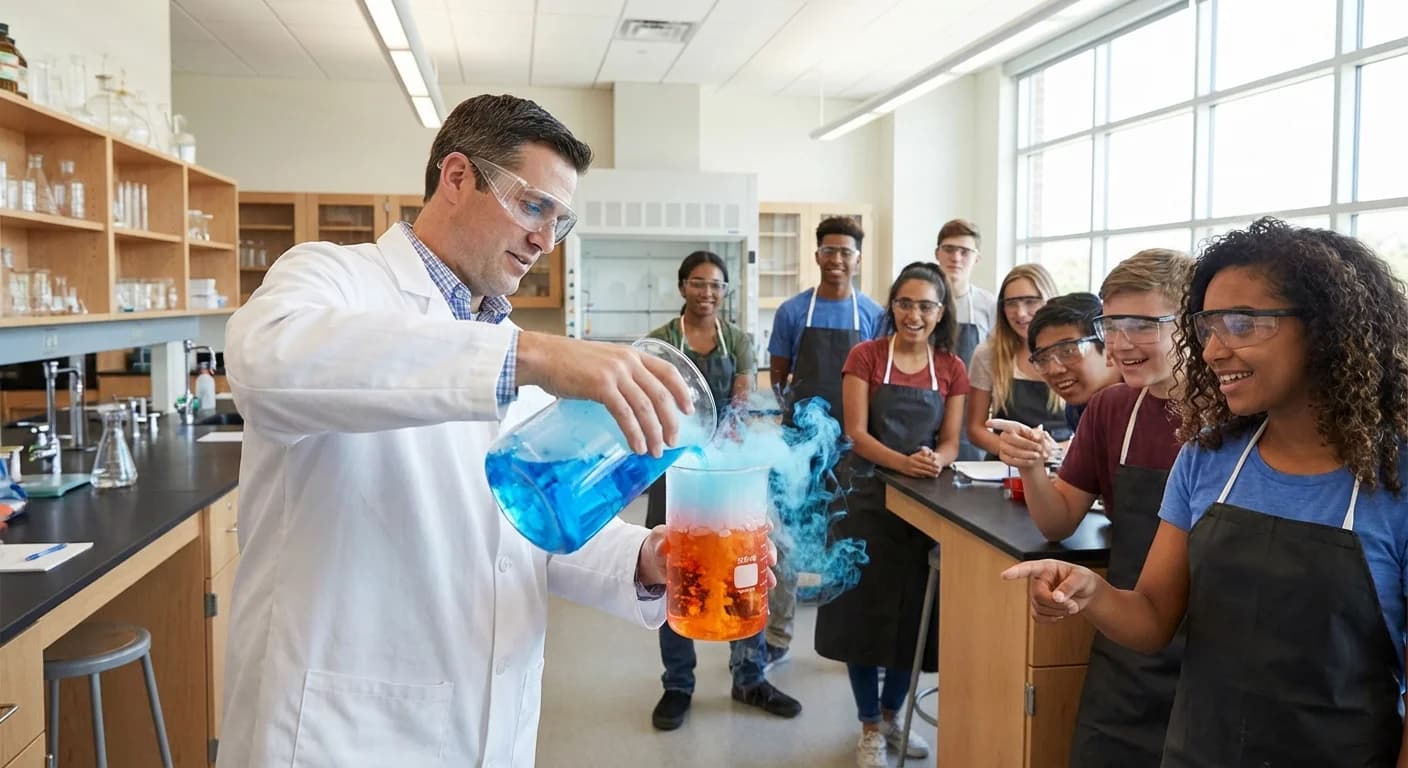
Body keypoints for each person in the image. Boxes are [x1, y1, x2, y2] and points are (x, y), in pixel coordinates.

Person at [217, 94, 775, 767]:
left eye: (559, 222)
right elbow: (264, 362)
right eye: (534, 206)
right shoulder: (337, 278)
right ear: (457, 177)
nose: (545, 239)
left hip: (486, 728)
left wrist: (643, 559)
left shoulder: (497, 340)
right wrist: (532, 356)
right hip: (341, 729)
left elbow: (520, 530)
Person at [1004, 218, 1408, 766]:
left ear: (1327, 327)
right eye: (1210, 326)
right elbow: (1150, 618)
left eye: (1243, 324)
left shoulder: (1394, 480)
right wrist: (1090, 592)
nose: (1214, 351)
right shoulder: (1208, 457)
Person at [992, 248, 1192, 767]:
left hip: (1214, 662)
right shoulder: (1111, 410)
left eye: (1143, 325)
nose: (1121, 343)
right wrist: (1033, 466)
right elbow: (1057, 522)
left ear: (1191, 321)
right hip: (1128, 651)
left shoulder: (1237, 415)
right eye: (1112, 323)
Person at [816, 262, 969, 768]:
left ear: (940, 311)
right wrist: (903, 462)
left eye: (926, 305)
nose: (914, 314)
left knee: (910, 622)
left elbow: (951, 441)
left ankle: (891, 717)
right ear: (892, 305)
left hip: (921, 510)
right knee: (863, 620)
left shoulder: (951, 367)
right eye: (905, 303)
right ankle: (867, 728)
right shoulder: (865, 356)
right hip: (863, 502)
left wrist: (936, 460)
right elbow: (857, 433)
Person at [642, 250, 801, 730]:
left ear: (725, 291)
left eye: (715, 285)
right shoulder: (661, 342)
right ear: (682, 286)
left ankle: (749, 676)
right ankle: (678, 684)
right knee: (675, 572)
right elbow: (655, 405)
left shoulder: (739, 341)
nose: (706, 292)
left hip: (729, 474)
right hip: (676, 473)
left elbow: (740, 403)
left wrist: (722, 446)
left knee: (741, 570)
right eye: (697, 282)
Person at [766, 215, 885, 665]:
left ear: (858, 258)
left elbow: (877, 381)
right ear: (816, 255)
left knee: (847, 539)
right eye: (829, 251)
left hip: (856, 447)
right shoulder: (793, 311)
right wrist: (798, 424)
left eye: (846, 252)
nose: (837, 259)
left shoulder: (872, 313)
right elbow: (780, 378)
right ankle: (779, 638)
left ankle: (848, 641)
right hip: (798, 445)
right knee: (787, 540)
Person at [965, 263, 1066, 458]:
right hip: (1004, 467)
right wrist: (1019, 452)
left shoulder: (1075, 354)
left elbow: (1091, 433)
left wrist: (1053, 451)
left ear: (1050, 300)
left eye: (1030, 301)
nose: (1020, 313)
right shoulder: (988, 354)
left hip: (1064, 466)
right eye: (1011, 303)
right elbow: (975, 429)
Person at [934, 218, 995, 459]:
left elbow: (995, 361)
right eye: (949, 249)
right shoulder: (921, 301)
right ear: (937, 253)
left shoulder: (988, 305)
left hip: (968, 418)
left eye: (965, 251)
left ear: (976, 258)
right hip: (923, 409)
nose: (956, 258)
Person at [1026, 293, 1122, 434]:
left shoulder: (1150, 403)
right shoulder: (1077, 409)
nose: (1054, 370)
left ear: (1108, 341)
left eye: (1068, 351)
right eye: (1043, 358)